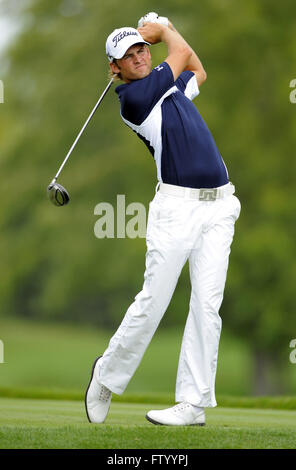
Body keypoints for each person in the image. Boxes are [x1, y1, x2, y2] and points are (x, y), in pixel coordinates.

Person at [85, 13, 241, 426]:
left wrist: (163, 32)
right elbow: (183, 53)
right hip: (177, 209)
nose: (137, 56)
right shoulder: (133, 99)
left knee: (207, 306)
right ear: (114, 68)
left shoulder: (170, 88)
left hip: (220, 206)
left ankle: (192, 404)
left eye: (141, 48)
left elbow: (197, 69)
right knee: (154, 300)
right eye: (127, 54)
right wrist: (162, 29)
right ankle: (107, 373)